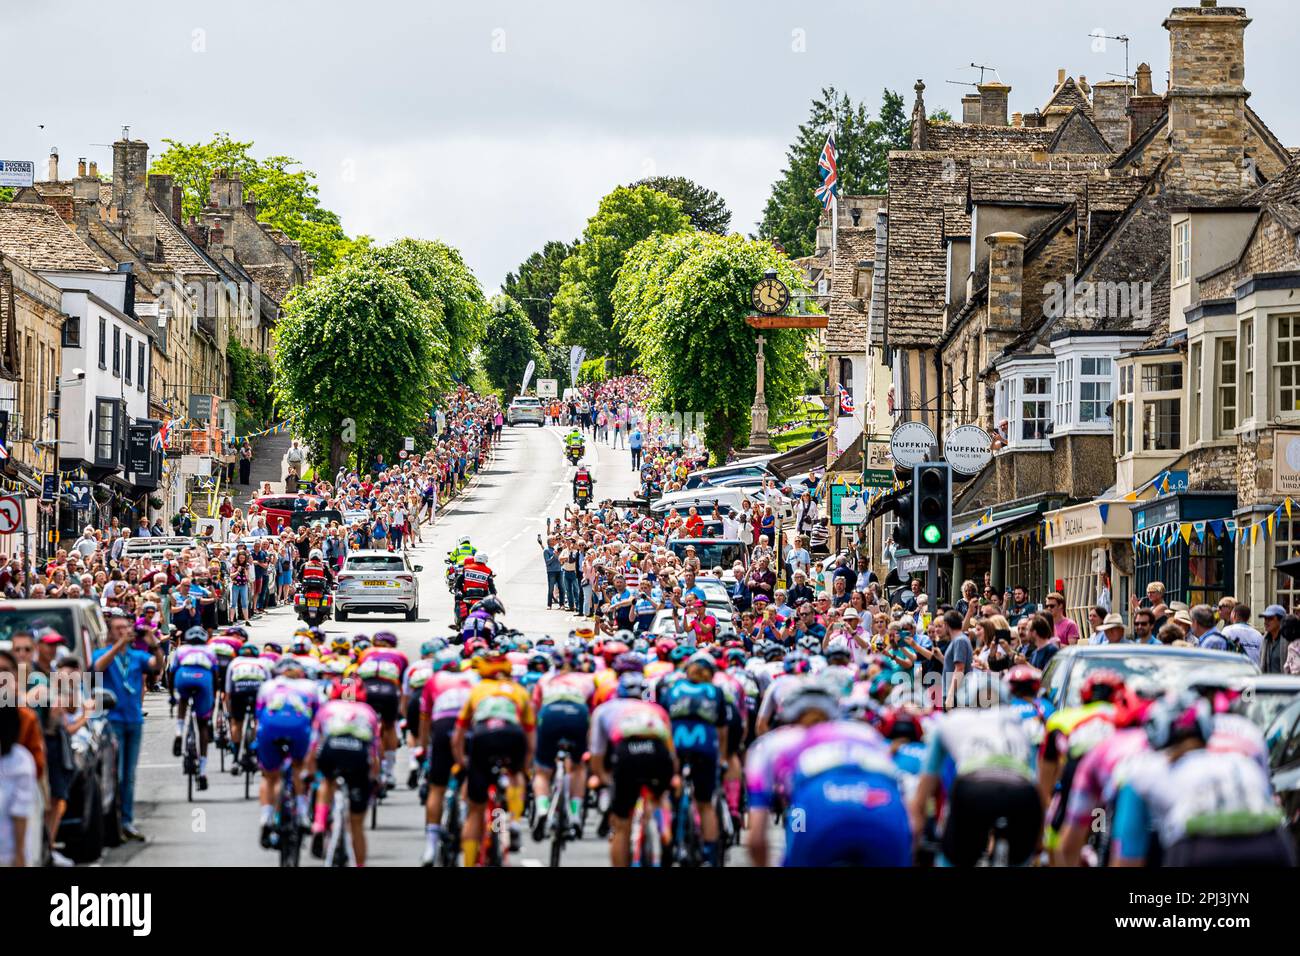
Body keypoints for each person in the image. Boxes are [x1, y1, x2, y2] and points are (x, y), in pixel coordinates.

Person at [746, 678, 910, 867]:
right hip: (884, 807)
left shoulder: (773, 743)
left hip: (813, 809)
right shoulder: (864, 734)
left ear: (788, 718)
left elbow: (756, 839)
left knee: (797, 826)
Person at [453, 650, 535, 865]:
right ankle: (514, 822)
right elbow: (530, 736)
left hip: (483, 736)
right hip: (512, 736)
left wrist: (462, 761)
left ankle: (470, 862)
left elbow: (459, 733)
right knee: (515, 775)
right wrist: (525, 767)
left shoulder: (478, 690)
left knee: (476, 810)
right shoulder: (519, 690)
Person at [92, 608, 164, 841]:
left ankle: (127, 821)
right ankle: (112, 823)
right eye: (118, 629)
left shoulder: (136, 656)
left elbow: (156, 666)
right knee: (116, 774)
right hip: (112, 721)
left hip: (134, 719)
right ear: (110, 633)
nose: (124, 632)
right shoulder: (103, 653)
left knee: (129, 774)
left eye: (126, 628)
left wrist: (154, 644)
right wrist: (117, 646)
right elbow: (97, 668)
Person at [660, 651, 728, 866]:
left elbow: (662, 719)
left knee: (669, 796)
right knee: (706, 803)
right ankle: (709, 854)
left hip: (676, 745)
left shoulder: (673, 689)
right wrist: (722, 758)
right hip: (705, 745)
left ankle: (668, 843)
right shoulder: (715, 691)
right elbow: (722, 729)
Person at [307, 677, 380, 865]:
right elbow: (375, 752)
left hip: (332, 750)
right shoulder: (368, 712)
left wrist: (309, 771)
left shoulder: (327, 709)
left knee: (326, 781)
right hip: (358, 755)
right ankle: (359, 864)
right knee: (356, 825)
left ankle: (319, 823)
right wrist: (374, 779)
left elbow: (315, 743)